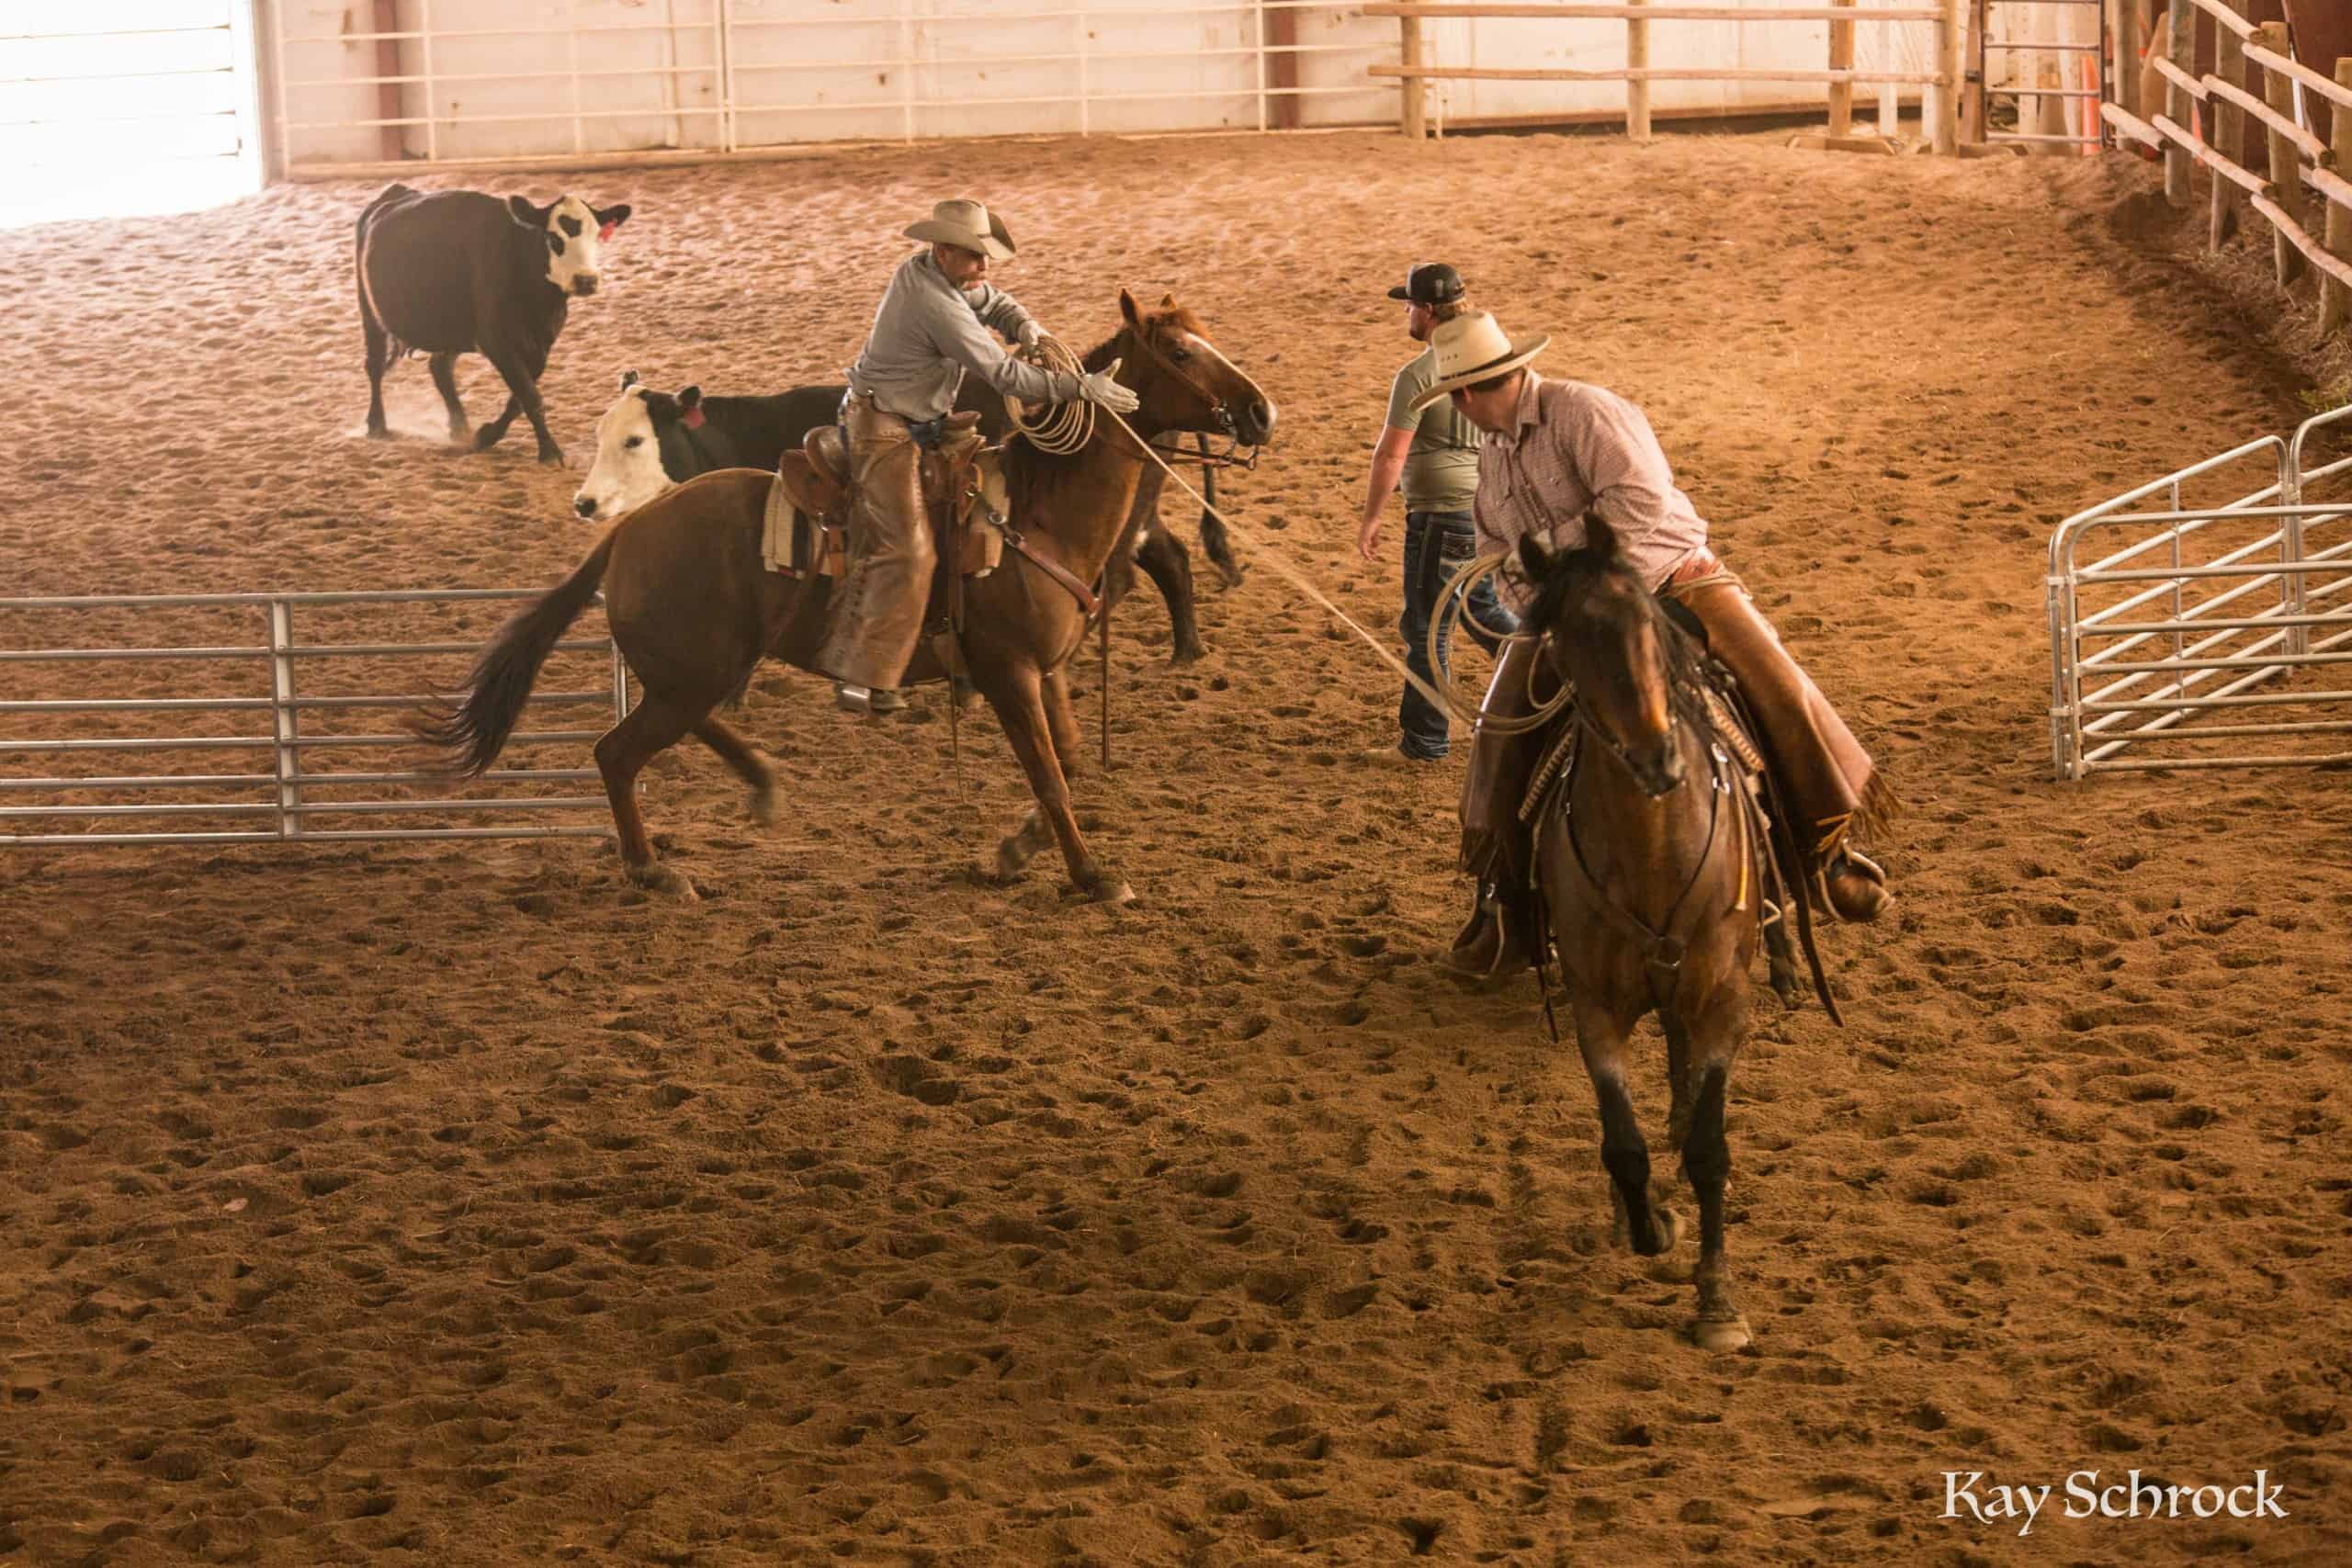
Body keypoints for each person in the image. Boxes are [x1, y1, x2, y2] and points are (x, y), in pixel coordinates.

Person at [1405, 311, 1893, 980]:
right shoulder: (1490, 459)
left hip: (1670, 580)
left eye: (1455, 397)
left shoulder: (1583, 412)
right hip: (1569, 616)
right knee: (1498, 727)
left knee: (1776, 683)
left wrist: (1560, 560)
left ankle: (1824, 850)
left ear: (1466, 393)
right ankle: (1504, 905)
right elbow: (1497, 556)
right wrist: (1543, 601)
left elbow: (1640, 501)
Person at [826, 198, 1139, 716]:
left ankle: (963, 643)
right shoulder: (934, 302)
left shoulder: (941, 276)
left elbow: (994, 301)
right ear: (944, 251)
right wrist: (1083, 388)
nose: (984, 267)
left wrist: (1027, 327)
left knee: (989, 511)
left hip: (920, 423)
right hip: (883, 429)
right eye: (975, 256)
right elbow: (1004, 375)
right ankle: (863, 673)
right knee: (910, 549)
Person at [1354, 263, 1520, 761]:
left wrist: (1372, 516)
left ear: (1427, 311)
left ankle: (1425, 741)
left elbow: (1390, 454)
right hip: (1484, 510)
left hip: (1440, 516)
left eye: (1407, 305)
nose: (1405, 312)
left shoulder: (1418, 374)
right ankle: (1552, 674)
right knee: (1484, 611)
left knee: (1428, 630)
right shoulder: (1489, 356)